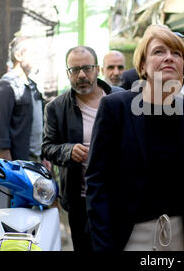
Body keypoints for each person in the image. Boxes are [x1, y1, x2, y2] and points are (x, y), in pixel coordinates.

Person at [85, 25, 184, 251]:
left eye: (177, 54)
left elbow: (171, 176)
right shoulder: (116, 108)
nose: (169, 58)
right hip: (128, 234)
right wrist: (103, 245)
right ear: (142, 64)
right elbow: (97, 181)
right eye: (159, 52)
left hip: (175, 232)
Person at [42, 46, 124, 251]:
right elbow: (47, 147)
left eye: (87, 68)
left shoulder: (121, 99)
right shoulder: (56, 108)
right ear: (67, 73)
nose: (81, 75)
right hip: (81, 201)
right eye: (74, 70)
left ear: (97, 69)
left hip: (120, 196)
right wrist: (68, 151)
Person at [0, 36, 46, 163]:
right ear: (18, 56)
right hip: (17, 164)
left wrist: (43, 158)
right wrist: (11, 169)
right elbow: (0, 134)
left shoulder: (32, 86)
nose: (37, 57)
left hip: (34, 161)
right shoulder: (6, 86)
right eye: (33, 53)